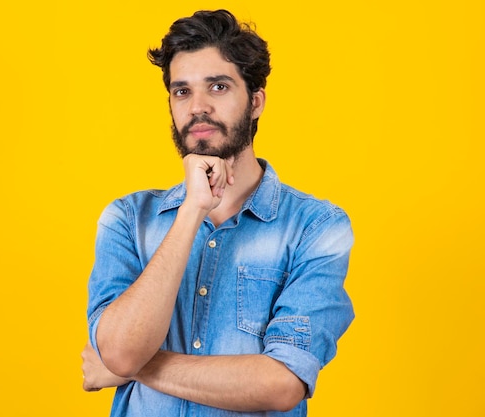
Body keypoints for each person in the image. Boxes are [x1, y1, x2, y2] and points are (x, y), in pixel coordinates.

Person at [81, 9, 354, 416]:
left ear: (256, 101)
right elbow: (119, 350)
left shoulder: (316, 228)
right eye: (182, 91)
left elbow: (281, 383)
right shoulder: (127, 219)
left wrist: (135, 366)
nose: (198, 107)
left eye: (219, 87)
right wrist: (192, 209)